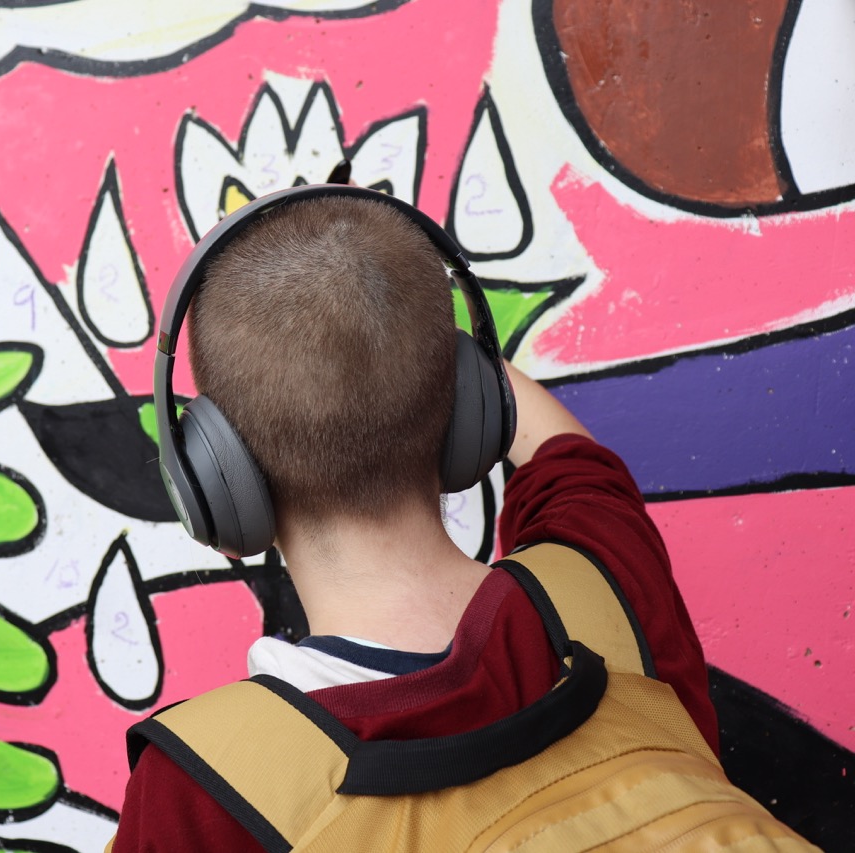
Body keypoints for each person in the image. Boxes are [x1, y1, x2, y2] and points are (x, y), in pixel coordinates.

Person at [109, 187, 780, 851]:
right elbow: (567, 457)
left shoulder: (205, 789)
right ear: (469, 409)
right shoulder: (607, 588)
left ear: (213, 483)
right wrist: (403, 338)